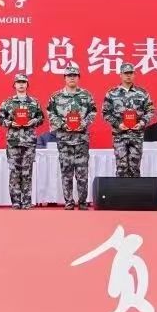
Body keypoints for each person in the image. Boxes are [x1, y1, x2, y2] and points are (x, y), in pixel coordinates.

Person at [47, 63, 96, 210]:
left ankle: (82, 202)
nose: (72, 78)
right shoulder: (56, 97)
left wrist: (84, 123)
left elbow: (93, 112)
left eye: (74, 75)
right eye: (69, 76)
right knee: (66, 172)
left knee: (82, 173)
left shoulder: (86, 95)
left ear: (78, 78)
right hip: (64, 139)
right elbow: (50, 114)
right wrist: (63, 124)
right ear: (65, 78)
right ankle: (68, 201)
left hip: (81, 139)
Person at [0, 74, 44, 209]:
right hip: (13, 141)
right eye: (19, 82)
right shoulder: (8, 102)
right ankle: (16, 201)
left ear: (27, 85)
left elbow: (41, 118)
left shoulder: (34, 102)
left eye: (23, 82)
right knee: (14, 172)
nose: (21, 84)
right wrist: (11, 123)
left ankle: (27, 201)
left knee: (27, 172)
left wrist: (33, 121)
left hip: (29, 141)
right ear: (14, 85)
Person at [102, 63, 154, 178]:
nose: (128, 75)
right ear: (120, 75)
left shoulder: (142, 93)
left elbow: (150, 111)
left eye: (131, 73)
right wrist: (118, 124)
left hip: (137, 135)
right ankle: (120, 190)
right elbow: (106, 113)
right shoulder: (112, 93)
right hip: (119, 135)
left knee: (135, 168)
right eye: (126, 73)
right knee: (121, 168)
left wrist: (142, 123)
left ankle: (135, 190)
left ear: (134, 74)